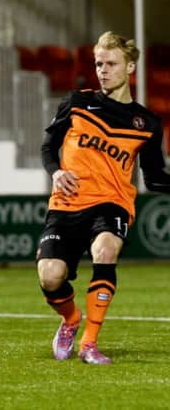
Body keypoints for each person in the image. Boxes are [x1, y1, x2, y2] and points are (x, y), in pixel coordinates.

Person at [37, 32, 170, 365]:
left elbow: (154, 178)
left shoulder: (147, 123)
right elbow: (48, 147)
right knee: (50, 275)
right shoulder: (77, 102)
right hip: (66, 203)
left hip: (112, 203)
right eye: (99, 63)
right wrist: (55, 172)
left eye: (111, 63)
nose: (103, 70)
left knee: (105, 249)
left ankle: (89, 345)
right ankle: (70, 320)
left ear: (130, 66)